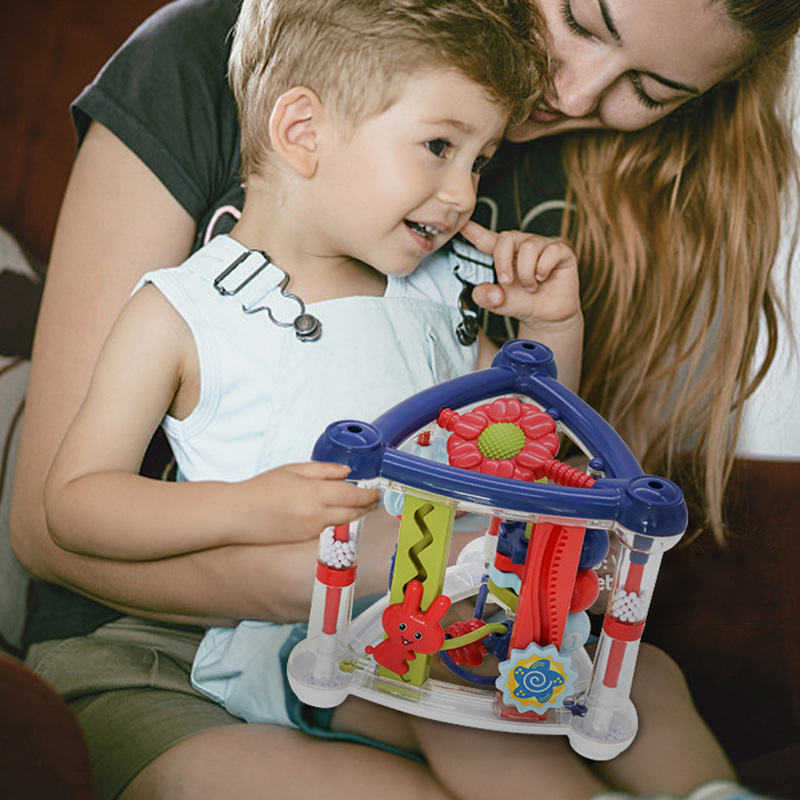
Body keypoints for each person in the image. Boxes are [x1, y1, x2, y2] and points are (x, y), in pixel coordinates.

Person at [9, 0, 798, 797]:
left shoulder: (435, 297)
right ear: (302, 130)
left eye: (480, 162)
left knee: (644, 677)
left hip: (418, 617)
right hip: (251, 641)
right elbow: (66, 510)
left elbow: (529, 437)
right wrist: (260, 516)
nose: (462, 196)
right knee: (450, 698)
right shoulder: (184, 309)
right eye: (441, 150)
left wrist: (551, 331)